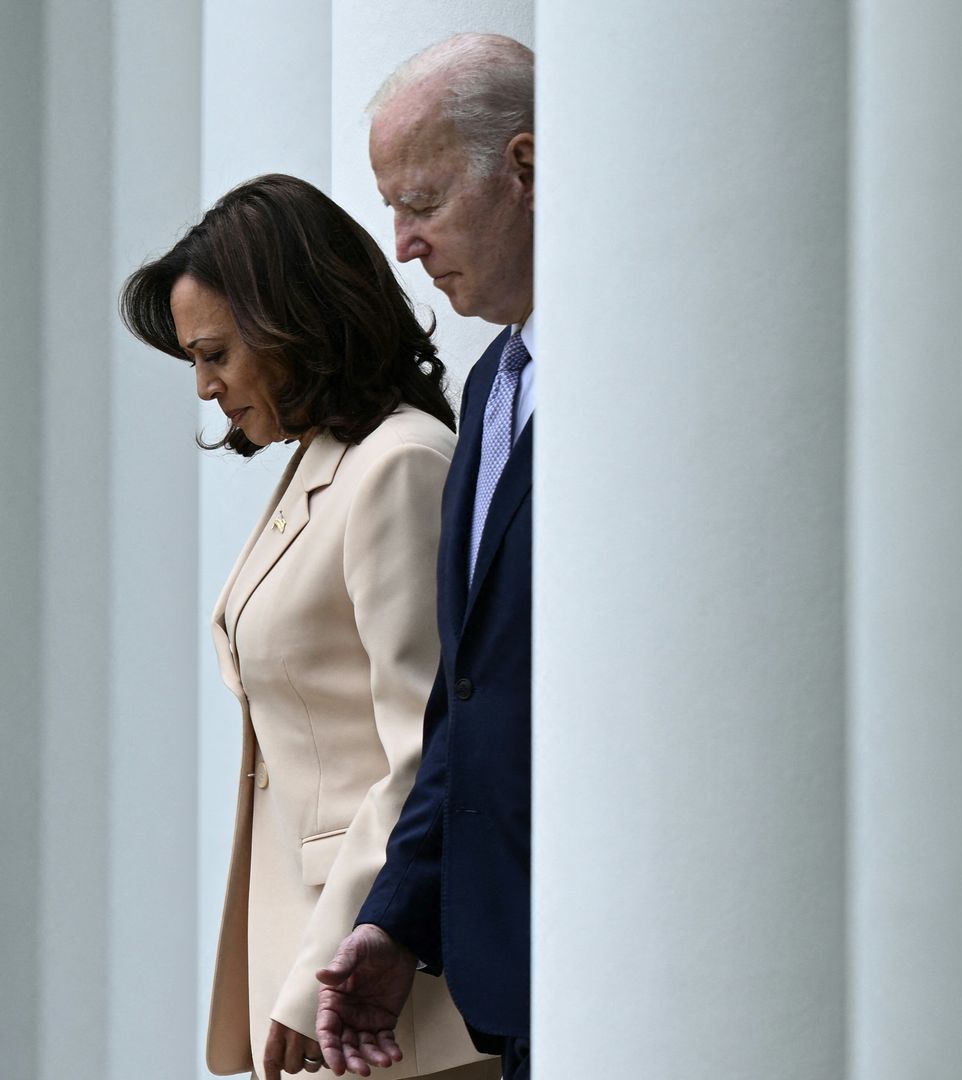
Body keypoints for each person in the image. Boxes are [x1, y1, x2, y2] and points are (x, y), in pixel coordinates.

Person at [120, 174, 497, 1080]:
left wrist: (317, 971)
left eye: (214, 354)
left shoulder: (399, 464)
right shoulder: (325, 463)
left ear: (292, 321)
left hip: (380, 995)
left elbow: (424, 751)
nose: (206, 387)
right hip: (317, 979)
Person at [314, 34, 538, 1080]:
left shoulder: (646, 374)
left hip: (644, 930)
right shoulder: (490, 385)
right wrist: (397, 920)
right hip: (516, 967)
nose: (401, 245)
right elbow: (468, 696)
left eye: (424, 203)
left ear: (526, 171)